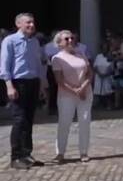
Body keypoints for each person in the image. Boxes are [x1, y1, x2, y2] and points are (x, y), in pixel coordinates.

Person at [1, 13, 46, 169]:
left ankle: (27, 154)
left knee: (29, 119)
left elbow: (38, 64)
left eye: (33, 22)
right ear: (18, 24)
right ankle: (16, 157)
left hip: (33, 82)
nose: (31, 25)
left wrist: (41, 85)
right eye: (28, 22)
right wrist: (9, 86)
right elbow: (5, 65)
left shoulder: (35, 42)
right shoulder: (10, 41)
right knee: (19, 120)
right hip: (18, 83)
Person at [50, 30, 93, 163]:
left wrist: (83, 87)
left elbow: (89, 73)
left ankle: (84, 151)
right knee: (64, 122)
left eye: (72, 38)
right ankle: (60, 152)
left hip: (85, 93)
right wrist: (75, 91)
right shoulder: (57, 58)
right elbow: (59, 80)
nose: (70, 41)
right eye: (66, 39)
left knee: (84, 122)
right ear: (59, 43)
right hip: (66, 95)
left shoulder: (81, 55)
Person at [92, 43, 115, 110]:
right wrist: (99, 73)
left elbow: (112, 68)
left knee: (108, 91)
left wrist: (106, 74)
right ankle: (100, 105)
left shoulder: (110, 56)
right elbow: (95, 66)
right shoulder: (98, 56)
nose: (104, 50)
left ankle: (109, 105)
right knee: (99, 91)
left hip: (107, 76)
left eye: (106, 48)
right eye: (103, 48)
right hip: (99, 75)